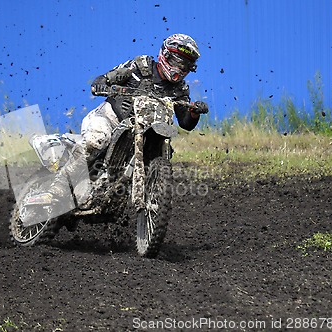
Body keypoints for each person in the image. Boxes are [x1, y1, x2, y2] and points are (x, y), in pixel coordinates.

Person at [45, 33, 209, 214]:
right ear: (166, 55)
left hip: (146, 130)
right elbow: (104, 79)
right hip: (110, 119)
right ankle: (56, 189)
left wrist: (193, 112)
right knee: (95, 140)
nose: (180, 68)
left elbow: (185, 122)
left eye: (185, 65)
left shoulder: (180, 89)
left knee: (161, 152)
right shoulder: (140, 66)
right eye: (178, 61)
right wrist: (103, 83)